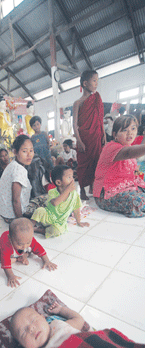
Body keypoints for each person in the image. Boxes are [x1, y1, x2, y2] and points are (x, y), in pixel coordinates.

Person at [93, 114, 145, 217]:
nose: (130, 133)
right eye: (125, 130)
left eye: (133, 129)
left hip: (127, 187)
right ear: (114, 134)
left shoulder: (127, 146)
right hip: (106, 194)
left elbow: (133, 169)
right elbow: (129, 152)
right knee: (136, 200)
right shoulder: (111, 147)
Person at [0, 218, 57, 287]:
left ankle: (22, 256)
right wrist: (10, 276)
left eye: (28, 242)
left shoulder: (28, 239)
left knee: (31, 249)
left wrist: (47, 261)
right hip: (1, 248)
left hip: (16, 252)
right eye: (20, 244)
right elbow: (5, 261)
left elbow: (39, 249)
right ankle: (18, 258)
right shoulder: (6, 244)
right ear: (10, 238)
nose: (24, 246)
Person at [31, 165, 89, 238]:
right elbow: (55, 203)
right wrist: (67, 190)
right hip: (48, 217)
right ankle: (30, 226)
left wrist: (79, 222)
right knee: (39, 210)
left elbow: (76, 209)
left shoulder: (74, 194)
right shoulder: (52, 192)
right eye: (69, 177)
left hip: (59, 223)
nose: (72, 180)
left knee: (57, 231)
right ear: (58, 182)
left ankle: (38, 230)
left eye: (72, 177)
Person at [73, 70, 105, 201]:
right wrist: (79, 141)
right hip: (85, 139)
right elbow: (75, 124)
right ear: (85, 83)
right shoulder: (78, 103)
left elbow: (100, 118)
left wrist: (103, 135)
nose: (96, 83)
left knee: (97, 162)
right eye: (94, 80)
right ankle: (82, 190)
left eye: (97, 80)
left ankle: (93, 187)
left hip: (97, 136)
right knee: (83, 164)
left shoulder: (97, 98)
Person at [0, 135, 34, 223]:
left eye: (31, 150)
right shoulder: (18, 169)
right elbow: (15, 200)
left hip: (3, 211)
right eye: (24, 151)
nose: (29, 154)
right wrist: (21, 222)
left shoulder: (13, 164)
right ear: (15, 152)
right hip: (11, 214)